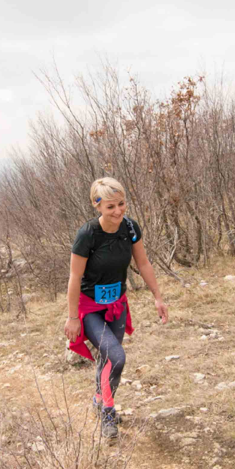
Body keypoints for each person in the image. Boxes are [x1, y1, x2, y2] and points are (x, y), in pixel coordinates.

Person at [65, 177, 169, 438]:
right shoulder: (87, 234)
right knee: (117, 357)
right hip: (90, 309)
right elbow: (74, 278)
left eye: (121, 204)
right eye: (110, 206)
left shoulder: (130, 228)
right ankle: (108, 413)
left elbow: (143, 263)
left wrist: (158, 296)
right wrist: (71, 317)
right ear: (97, 205)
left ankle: (99, 400)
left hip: (117, 305)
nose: (118, 211)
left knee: (109, 360)